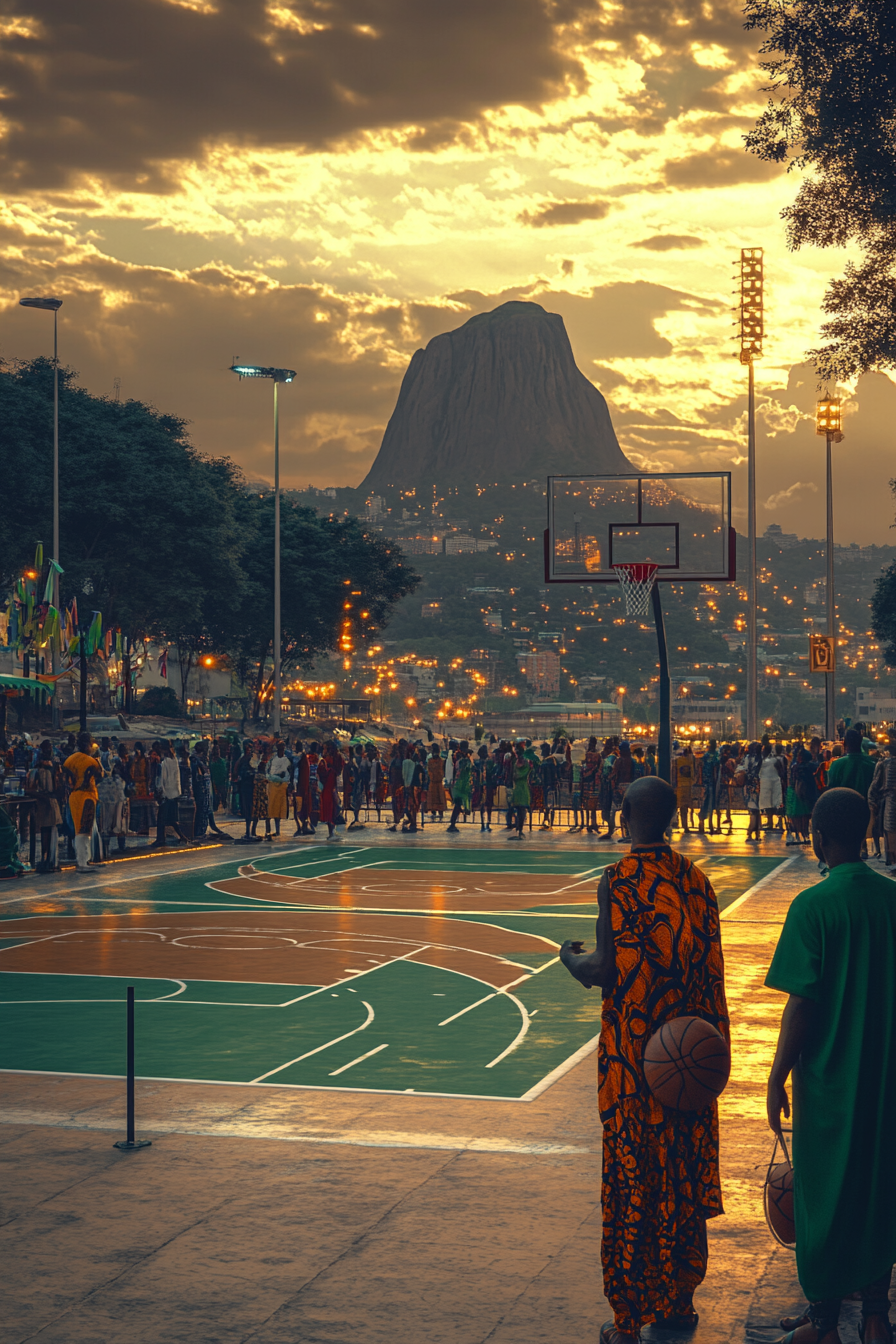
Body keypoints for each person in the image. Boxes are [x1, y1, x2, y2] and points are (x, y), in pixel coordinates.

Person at [559, 777, 729, 1344]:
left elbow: (606, 969)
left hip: (635, 1067)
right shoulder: (699, 881)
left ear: (627, 812)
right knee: (679, 1184)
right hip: (690, 1062)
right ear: (674, 816)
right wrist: (714, 1067)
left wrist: (571, 960)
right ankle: (678, 1303)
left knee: (634, 1188)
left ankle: (627, 1320)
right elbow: (713, 975)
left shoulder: (619, 880)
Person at [765, 787, 896, 1344]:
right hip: (886, 1075)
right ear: (867, 832)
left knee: (820, 1195)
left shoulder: (813, 906)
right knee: (878, 1187)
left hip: (828, 1078)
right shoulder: (892, 900)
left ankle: (821, 1322)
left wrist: (776, 1078)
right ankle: (874, 1312)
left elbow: (803, 1004)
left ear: (816, 836)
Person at [828, 728, 876, 858]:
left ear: (844, 743)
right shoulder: (872, 764)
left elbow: (831, 787)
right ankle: (863, 847)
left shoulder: (836, 765)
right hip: (866, 805)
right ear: (860, 741)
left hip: (843, 805)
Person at [63, 732, 105, 872]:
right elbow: (101, 774)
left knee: (79, 828)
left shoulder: (70, 760)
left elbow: (64, 779)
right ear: (87, 745)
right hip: (87, 796)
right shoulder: (90, 761)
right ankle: (82, 862)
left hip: (74, 795)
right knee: (84, 829)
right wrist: (97, 759)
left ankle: (84, 859)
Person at [25, 740, 63, 873]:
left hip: (52, 800)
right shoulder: (36, 768)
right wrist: (43, 797)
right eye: (46, 749)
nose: (48, 752)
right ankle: (45, 858)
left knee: (52, 830)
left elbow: (59, 784)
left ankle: (51, 860)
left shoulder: (54, 766)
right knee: (45, 830)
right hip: (43, 801)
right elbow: (29, 789)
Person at [151, 741, 190, 848]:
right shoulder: (174, 760)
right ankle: (183, 837)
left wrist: (160, 793)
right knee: (172, 818)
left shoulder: (165, 763)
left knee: (161, 819)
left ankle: (160, 839)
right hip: (174, 793)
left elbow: (162, 780)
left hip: (166, 794)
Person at [868, 731, 896, 867]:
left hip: (889, 800)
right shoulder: (884, 763)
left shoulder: (884, 763)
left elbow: (875, 783)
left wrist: (871, 799)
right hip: (888, 799)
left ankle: (891, 857)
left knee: (889, 829)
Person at [736, 741, 762, 842]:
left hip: (750, 786)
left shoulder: (747, 759)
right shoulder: (762, 759)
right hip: (759, 786)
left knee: (753, 811)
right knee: (757, 811)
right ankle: (757, 834)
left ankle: (750, 832)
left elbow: (742, 769)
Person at [266, 740, 291, 838]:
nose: (282, 750)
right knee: (270, 808)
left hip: (282, 786)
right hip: (272, 785)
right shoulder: (272, 759)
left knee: (279, 809)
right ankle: (268, 831)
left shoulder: (287, 760)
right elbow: (268, 771)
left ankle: (277, 830)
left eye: (283, 748)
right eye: (280, 748)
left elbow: (289, 771)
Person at [446, 743, 472, 833]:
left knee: (458, 805)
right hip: (459, 784)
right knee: (457, 805)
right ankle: (452, 824)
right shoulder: (460, 758)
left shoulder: (459, 756)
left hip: (460, 784)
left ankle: (452, 824)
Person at [508, 741, 531, 840]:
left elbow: (519, 775)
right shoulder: (516, 762)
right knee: (517, 809)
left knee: (521, 810)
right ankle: (518, 829)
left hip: (522, 788)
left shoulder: (525, 763)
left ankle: (520, 830)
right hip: (517, 788)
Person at [697, 740, 721, 835]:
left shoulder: (706, 755)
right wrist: (716, 781)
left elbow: (700, 767)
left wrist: (701, 780)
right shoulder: (716, 755)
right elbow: (715, 769)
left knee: (704, 802)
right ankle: (710, 825)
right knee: (711, 803)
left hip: (705, 782)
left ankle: (701, 823)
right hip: (712, 782)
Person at [672, 746, 696, 834]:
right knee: (684, 807)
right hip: (686, 787)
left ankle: (684, 824)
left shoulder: (678, 761)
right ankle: (685, 825)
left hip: (680, 786)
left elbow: (674, 773)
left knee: (682, 807)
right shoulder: (690, 761)